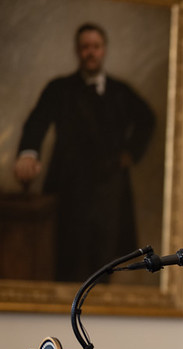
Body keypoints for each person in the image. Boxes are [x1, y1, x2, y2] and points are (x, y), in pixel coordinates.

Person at [15, 22, 155, 282]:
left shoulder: (120, 92)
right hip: (68, 190)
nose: (90, 52)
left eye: (96, 47)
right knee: (65, 263)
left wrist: (130, 153)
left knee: (104, 265)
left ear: (104, 50)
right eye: (85, 47)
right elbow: (37, 122)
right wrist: (28, 153)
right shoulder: (59, 88)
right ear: (77, 51)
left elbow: (147, 120)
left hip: (109, 193)